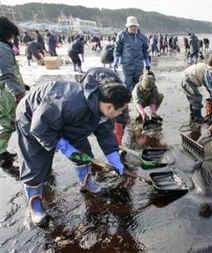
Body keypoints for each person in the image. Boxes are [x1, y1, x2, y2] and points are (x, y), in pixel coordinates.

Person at [16, 73, 131, 227]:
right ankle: (35, 206)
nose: (121, 114)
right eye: (120, 110)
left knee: (83, 154)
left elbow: (104, 132)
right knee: (36, 165)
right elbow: (40, 128)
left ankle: (87, 183)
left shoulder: (100, 106)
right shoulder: (69, 103)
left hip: (68, 121)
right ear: (109, 106)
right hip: (33, 120)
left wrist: (113, 155)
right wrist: (64, 146)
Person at [0, 16, 26, 166]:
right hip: (7, 94)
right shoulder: (2, 48)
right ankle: (35, 151)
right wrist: (19, 94)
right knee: (24, 121)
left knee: (5, 122)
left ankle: (1, 151)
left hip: (2, 92)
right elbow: (7, 75)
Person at [113, 16, 150, 92]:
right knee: (127, 84)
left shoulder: (142, 37)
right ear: (127, 26)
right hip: (126, 65)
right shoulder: (121, 35)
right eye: (131, 26)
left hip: (139, 66)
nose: (133, 28)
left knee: (139, 85)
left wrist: (147, 63)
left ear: (137, 26)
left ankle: (136, 102)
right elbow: (117, 49)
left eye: (135, 26)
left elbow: (145, 51)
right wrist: (116, 61)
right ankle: (128, 102)